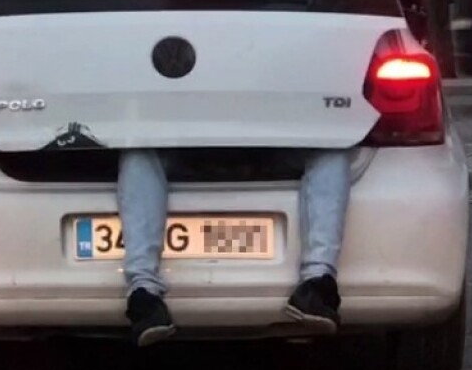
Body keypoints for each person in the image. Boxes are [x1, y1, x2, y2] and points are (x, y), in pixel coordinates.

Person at [121, 148, 353, 346]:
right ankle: (145, 298)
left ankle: (315, 288)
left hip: (271, 148)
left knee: (332, 151)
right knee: (138, 156)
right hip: (184, 149)